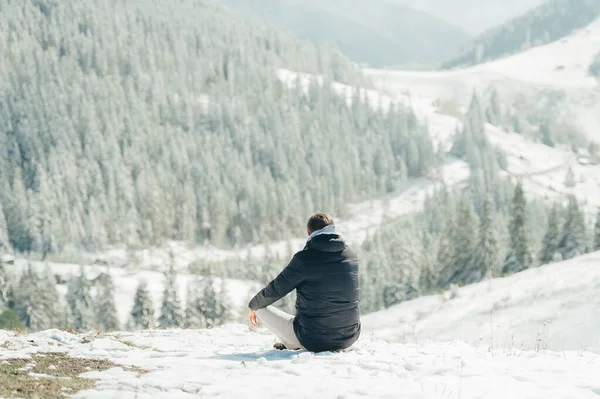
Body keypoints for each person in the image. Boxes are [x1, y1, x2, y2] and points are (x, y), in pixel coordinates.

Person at [248, 213, 360, 352]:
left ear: (309, 234)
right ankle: (294, 342)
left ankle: (293, 343)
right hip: (349, 336)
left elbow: (276, 289)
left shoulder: (304, 259)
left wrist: (253, 306)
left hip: (312, 339)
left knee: (260, 308)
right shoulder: (351, 255)